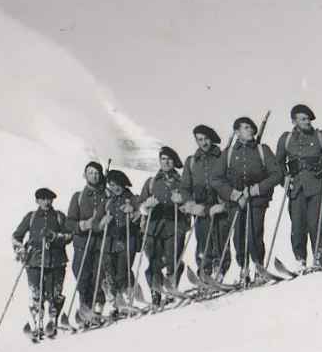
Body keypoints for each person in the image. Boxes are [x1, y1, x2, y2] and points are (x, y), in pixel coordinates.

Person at [211, 116, 283, 284]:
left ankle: (259, 267)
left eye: (251, 127)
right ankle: (243, 269)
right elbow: (216, 178)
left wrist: (256, 189)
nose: (250, 130)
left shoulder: (262, 150)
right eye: (245, 127)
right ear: (237, 132)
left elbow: (276, 174)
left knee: (254, 234)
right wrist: (234, 194)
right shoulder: (228, 153)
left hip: (257, 201)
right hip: (235, 202)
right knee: (238, 236)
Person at [277, 105, 322, 271]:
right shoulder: (286, 140)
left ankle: (318, 256)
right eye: (303, 119)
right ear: (294, 121)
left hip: (317, 186)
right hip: (296, 188)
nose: (307, 122)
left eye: (308, 119)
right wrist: (284, 178)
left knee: (318, 223)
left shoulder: (320, 137)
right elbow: (277, 162)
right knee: (297, 225)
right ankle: (300, 259)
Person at [11, 188, 71, 340]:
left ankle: (53, 320)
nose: (46, 202)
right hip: (34, 261)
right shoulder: (30, 217)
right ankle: (38, 321)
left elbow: (69, 235)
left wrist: (54, 236)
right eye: (43, 199)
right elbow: (17, 236)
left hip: (56, 260)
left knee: (55, 294)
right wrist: (20, 251)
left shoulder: (59, 216)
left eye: (49, 199)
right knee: (37, 294)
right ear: (37, 201)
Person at [173, 124, 230, 282]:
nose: (204, 143)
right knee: (203, 243)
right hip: (200, 209)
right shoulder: (191, 162)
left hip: (219, 208)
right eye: (200, 140)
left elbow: (230, 182)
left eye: (206, 139)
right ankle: (204, 273)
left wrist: (223, 204)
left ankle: (220, 271)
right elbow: (184, 187)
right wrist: (190, 205)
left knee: (220, 240)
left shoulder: (223, 157)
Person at [137, 146, 190, 305]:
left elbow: (190, 202)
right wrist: (146, 205)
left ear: (174, 162)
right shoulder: (152, 182)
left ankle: (171, 288)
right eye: (163, 159)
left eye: (169, 159)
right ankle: (156, 291)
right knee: (153, 262)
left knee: (173, 259)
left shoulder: (183, 182)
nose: (166, 162)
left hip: (175, 227)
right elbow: (140, 205)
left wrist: (182, 200)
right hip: (153, 229)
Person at [65, 161, 109, 327]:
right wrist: (84, 225)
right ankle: (84, 308)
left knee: (99, 276)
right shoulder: (78, 197)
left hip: (101, 244)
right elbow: (69, 222)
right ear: (85, 175)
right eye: (91, 173)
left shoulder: (107, 195)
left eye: (97, 173)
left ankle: (98, 308)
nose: (94, 176)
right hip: (83, 244)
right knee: (82, 277)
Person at [97, 169, 143, 316]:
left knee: (122, 273)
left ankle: (130, 299)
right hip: (109, 243)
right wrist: (102, 222)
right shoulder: (108, 201)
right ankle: (116, 304)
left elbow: (143, 213)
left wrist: (134, 213)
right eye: (111, 185)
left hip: (127, 240)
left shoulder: (132, 198)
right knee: (110, 274)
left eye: (118, 185)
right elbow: (97, 220)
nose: (115, 188)